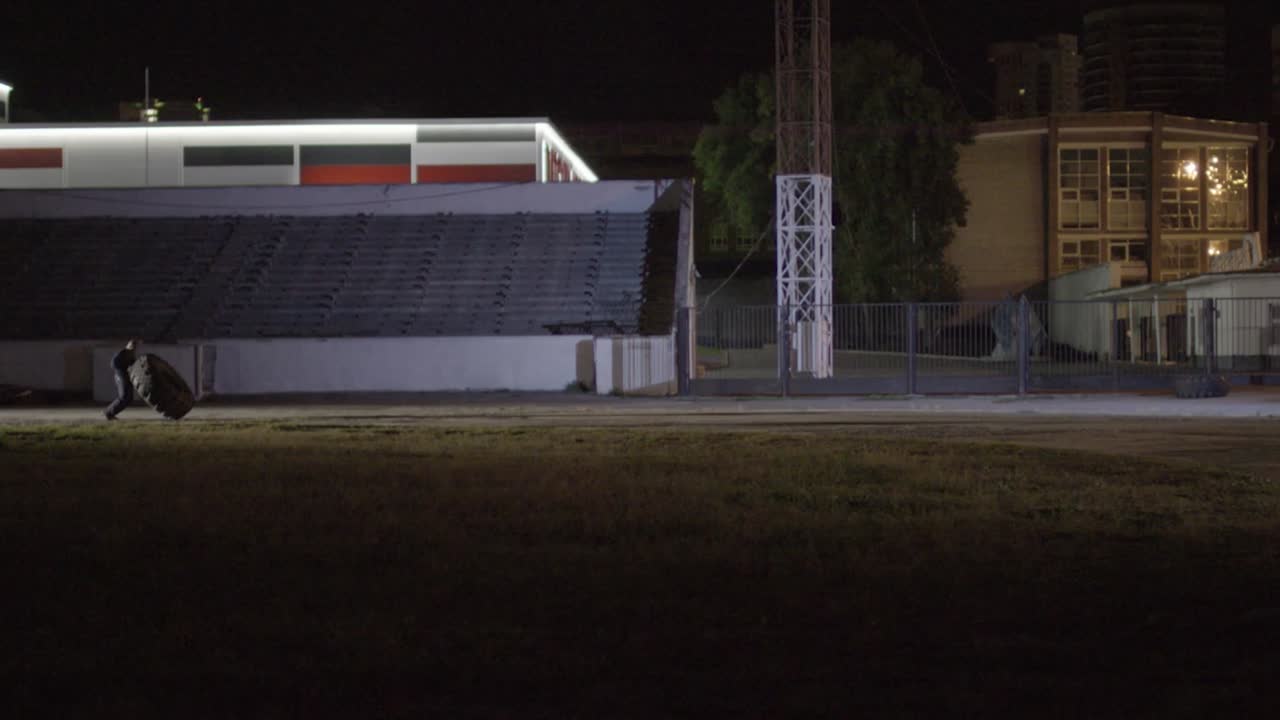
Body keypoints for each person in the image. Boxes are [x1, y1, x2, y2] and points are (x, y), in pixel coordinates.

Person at [104, 339, 138, 420]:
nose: (134, 348)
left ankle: (110, 413)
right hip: (121, 376)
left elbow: (133, 365)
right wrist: (122, 371)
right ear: (129, 345)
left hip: (126, 377)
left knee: (129, 398)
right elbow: (113, 364)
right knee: (124, 396)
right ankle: (108, 413)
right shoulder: (122, 353)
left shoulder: (131, 355)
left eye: (135, 346)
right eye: (133, 345)